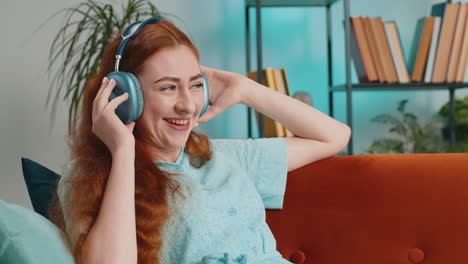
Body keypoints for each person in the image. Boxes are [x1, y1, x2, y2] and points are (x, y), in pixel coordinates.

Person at [53, 16, 351, 264]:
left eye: (195, 85)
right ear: (125, 95)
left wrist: (245, 89)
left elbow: (335, 136)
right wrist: (122, 150)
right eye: (168, 88)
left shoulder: (222, 156)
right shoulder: (88, 178)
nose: (188, 105)